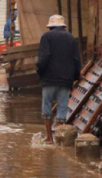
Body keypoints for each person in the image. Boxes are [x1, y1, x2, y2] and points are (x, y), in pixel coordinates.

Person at [37, 14, 81, 144]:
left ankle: (49, 138)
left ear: (50, 27)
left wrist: (40, 72)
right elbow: (76, 60)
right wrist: (75, 77)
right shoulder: (71, 39)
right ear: (63, 26)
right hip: (66, 79)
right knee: (62, 108)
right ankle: (60, 138)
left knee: (47, 106)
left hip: (49, 78)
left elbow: (44, 57)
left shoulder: (46, 37)